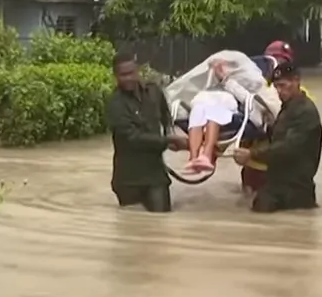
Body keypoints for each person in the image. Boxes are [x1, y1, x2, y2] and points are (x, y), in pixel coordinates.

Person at [233, 61, 322, 213]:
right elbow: (271, 139)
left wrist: (251, 154)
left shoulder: (306, 112)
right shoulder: (287, 109)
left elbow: (287, 147)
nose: (280, 91)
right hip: (277, 184)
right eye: (276, 87)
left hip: (296, 188)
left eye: (283, 85)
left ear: (296, 81)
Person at [107, 51, 189, 212]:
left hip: (156, 175)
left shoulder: (154, 92)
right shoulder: (115, 104)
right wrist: (168, 141)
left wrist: (181, 140)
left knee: (161, 220)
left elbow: (168, 121)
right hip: (128, 180)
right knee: (131, 226)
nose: (128, 78)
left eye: (131, 73)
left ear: (137, 71)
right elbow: (131, 139)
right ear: (116, 76)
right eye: (123, 75)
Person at [181, 53, 269, 174]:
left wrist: (226, 78)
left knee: (214, 110)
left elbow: (252, 93)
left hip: (228, 99)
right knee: (198, 111)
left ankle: (206, 154)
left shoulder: (251, 78)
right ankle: (194, 157)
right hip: (209, 95)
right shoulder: (211, 79)